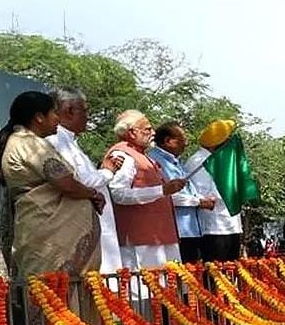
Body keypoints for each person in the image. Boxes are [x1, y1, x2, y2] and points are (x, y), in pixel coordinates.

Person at [0, 91, 104, 325]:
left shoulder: (28, 142)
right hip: (45, 237)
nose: (57, 118)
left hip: (44, 232)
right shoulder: (28, 144)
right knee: (52, 302)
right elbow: (64, 182)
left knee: (66, 299)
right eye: (53, 113)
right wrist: (91, 193)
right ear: (38, 117)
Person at [44, 87, 125, 273]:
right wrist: (107, 171)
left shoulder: (69, 141)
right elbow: (80, 181)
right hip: (80, 223)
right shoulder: (56, 140)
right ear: (69, 110)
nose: (88, 116)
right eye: (85, 110)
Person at [104, 110, 185, 269]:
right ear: (132, 132)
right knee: (145, 288)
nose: (153, 133)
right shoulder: (123, 155)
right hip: (140, 238)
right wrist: (161, 190)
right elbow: (119, 194)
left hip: (159, 235)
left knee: (167, 286)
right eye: (147, 129)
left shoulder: (141, 155)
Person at [149, 121, 215, 263]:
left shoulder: (175, 161)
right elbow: (165, 195)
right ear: (168, 141)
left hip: (190, 229)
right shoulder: (154, 161)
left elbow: (187, 189)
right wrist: (199, 202)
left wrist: (201, 198)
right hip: (175, 230)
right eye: (182, 140)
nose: (186, 144)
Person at [186, 120, 244, 262]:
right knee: (216, 275)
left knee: (231, 273)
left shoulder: (221, 160)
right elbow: (204, 193)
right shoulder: (199, 161)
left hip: (230, 224)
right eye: (227, 139)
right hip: (215, 227)